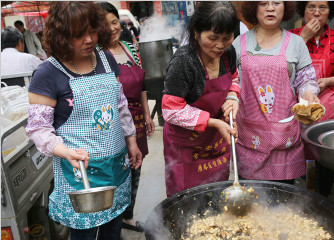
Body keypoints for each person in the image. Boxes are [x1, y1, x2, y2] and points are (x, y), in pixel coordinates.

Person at [25, 2, 142, 239]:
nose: (89, 40)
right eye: (79, 35)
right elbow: (38, 129)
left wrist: (131, 140)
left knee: (113, 230)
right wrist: (64, 151)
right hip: (80, 172)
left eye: (92, 31)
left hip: (115, 166)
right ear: (60, 35)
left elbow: (120, 105)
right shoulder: (47, 73)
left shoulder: (106, 59)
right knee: (85, 234)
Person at [232, 1, 320, 184]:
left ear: (285, 8)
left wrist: (309, 93)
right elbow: (230, 83)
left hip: (284, 139)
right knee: (250, 201)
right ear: (253, 8)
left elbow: (306, 79)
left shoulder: (296, 43)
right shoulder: (238, 44)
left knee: (283, 202)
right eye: (263, 3)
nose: (270, 8)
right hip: (249, 138)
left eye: (277, 3)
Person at [162, 1, 240, 197]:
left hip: (214, 141)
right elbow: (171, 110)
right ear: (196, 32)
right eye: (213, 38)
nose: (220, 45)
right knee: (186, 199)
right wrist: (213, 122)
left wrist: (232, 98)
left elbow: (234, 79)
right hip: (185, 146)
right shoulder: (184, 61)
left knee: (216, 195)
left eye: (227, 37)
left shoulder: (228, 53)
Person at [98, 1, 155, 232]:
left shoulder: (130, 47)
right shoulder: (97, 54)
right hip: (111, 122)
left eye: (114, 22)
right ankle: (112, 220)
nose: (112, 28)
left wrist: (148, 114)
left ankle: (127, 216)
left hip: (138, 119)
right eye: (105, 24)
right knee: (116, 172)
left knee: (136, 167)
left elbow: (141, 83)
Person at [290, 1, 334, 196]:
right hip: (297, 106)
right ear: (303, 10)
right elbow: (282, 67)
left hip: (330, 108)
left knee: (325, 155)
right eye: (311, 7)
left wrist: (328, 81)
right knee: (294, 153)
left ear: (330, 12)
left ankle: (322, 198)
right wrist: (304, 38)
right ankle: (294, 196)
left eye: (323, 8)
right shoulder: (291, 37)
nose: (317, 13)